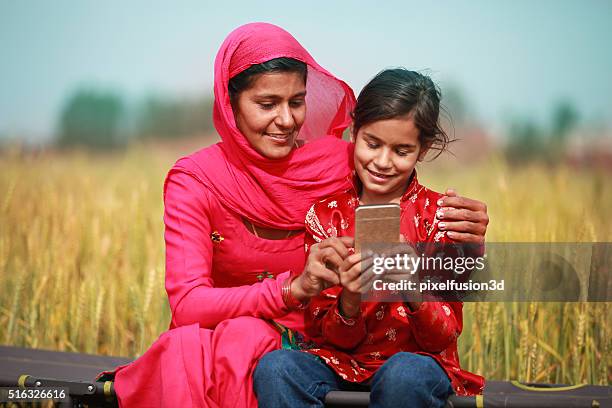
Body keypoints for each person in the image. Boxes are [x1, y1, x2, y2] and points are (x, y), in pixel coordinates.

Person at [100, 23, 489, 407]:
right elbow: (189, 305)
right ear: (229, 101)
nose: (286, 120)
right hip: (276, 351)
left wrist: (468, 240)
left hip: (338, 348)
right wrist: (298, 290)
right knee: (247, 346)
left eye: (297, 101)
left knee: (397, 374)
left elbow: (401, 184)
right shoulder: (197, 181)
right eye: (267, 104)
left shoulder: (342, 163)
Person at [253, 69, 485, 408]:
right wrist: (350, 297)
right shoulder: (325, 216)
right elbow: (327, 337)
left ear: (424, 149)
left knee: (404, 374)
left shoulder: (443, 218)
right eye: (372, 144)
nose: (382, 161)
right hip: (341, 363)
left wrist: (413, 288)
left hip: (418, 363)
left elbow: (442, 337)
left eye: (401, 150)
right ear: (353, 132)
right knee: (277, 368)